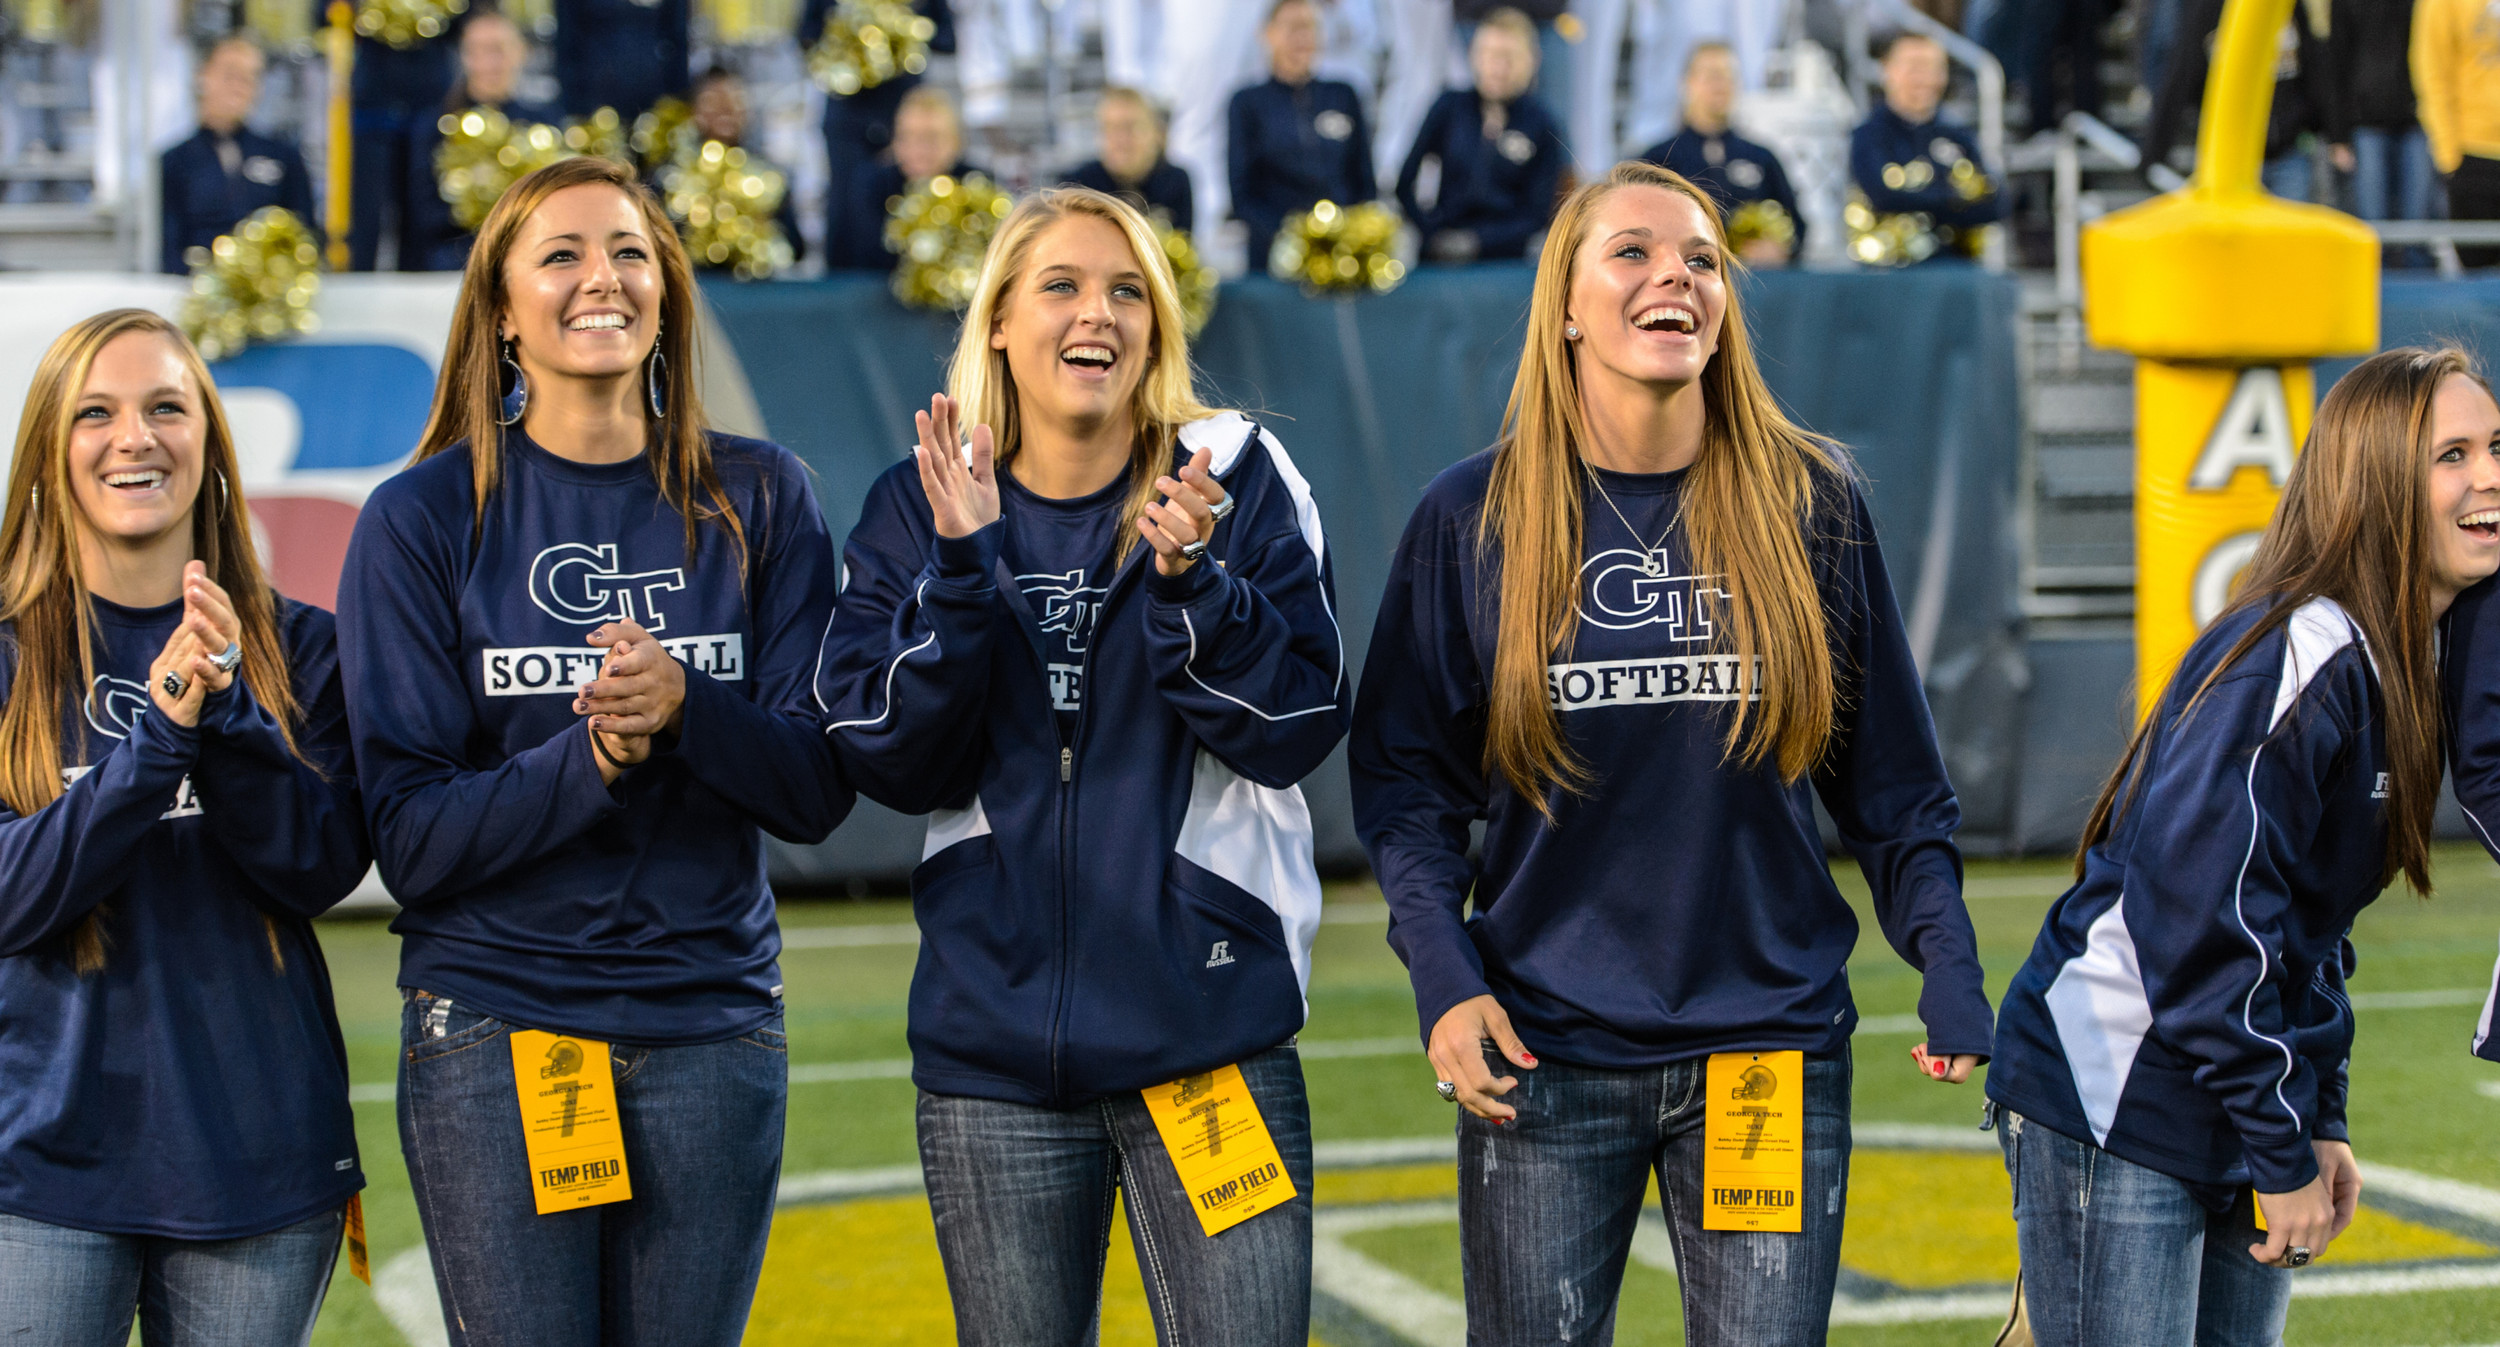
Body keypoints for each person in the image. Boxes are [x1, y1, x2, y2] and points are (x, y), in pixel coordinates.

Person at [1351, 159, 1992, 1345]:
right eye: (1633, 253)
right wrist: (1444, 976)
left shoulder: (1810, 502)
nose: (1676, 278)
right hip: (1541, 1054)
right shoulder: (1470, 518)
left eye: (1701, 259)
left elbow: (1894, 786)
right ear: (1566, 306)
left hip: (1766, 1050)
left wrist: (1945, 955)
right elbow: (1406, 791)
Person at [817, 186, 1348, 1344]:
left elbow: (1298, 723)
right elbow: (882, 753)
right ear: (1000, 322)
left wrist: (1193, 588)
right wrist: (962, 570)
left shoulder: (1233, 476)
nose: (1095, 313)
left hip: (1208, 1041)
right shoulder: (922, 498)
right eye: (1059, 285)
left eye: (1126, 292)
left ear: (1156, 327)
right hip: (992, 1060)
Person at [336, 156, 850, 1343]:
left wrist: (686, 708)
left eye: (627, 252)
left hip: (712, 1026)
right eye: (560, 255)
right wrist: (599, 757)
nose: (601, 277)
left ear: (666, 290)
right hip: (496, 1028)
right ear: (501, 312)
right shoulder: (419, 518)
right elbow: (411, 840)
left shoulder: (764, 496)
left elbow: (817, 790)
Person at [1989, 348, 2500, 1345]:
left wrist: (2317, 1115)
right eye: (2452, 455)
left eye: (2497, 447)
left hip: (2225, 1089)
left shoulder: (2404, 659)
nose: (2488, 475)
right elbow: (2200, 919)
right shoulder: (2304, 647)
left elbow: (2309, 930)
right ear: (2375, 480)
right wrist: (2280, 1137)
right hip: (2120, 1087)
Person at [0, 309, 370, 1343]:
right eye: (96, 413)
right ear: (48, 450)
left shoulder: (306, 650)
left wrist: (230, 710)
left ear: (209, 443)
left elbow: (318, 867)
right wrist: (160, 740)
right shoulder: (4, 655)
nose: (135, 437)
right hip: (34, 1169)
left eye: (167, 408)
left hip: (258, 1167)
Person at [1395, 6, 1567, 264]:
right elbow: (1404, 183)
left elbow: (1538, 214)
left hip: (1506, 263)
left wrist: (1478, 242)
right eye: (1488, 54)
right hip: (1441, 257)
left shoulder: (1542, 123)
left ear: (1531, 61)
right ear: (1473, 56)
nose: (1497, 67)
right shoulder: (1449, 107)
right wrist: (1432, 233)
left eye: (1508, 57)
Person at [800, 0, 956, 272]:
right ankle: (842, 285)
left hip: (902, 111)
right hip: (847, 116)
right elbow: (806, 35)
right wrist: (848, 36)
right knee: (845, 206)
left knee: (904, 201)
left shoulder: (910, 128)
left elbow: (947, 39)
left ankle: (915, 279)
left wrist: (903, 29)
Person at [405, 9, 565, 273]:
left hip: (532, 252)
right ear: (463, 56)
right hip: (456, 258)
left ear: (521, 52)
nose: (488, 63)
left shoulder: (545, 122)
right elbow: (423, 215)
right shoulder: (436, 126)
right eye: (476, 51)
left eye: (498, 50)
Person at [1229, 0, 1378, 268]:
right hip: (1275, 257)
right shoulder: (1247, 103)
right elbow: (1242, 195)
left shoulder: (1344, 95)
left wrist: (1348, 236)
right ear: (1267, 34)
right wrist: (1294, 237)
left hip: (1342, 257)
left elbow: (1364, 182)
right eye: (1291, 27)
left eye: (1309, 27)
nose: (1301, 37)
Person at [160, 35, 317, 275]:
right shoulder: (173, 162)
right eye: (230, 74)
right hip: (197, 284)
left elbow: (305, 234)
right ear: (202, 76)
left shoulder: (283, 156)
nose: (239, 86)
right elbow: (167, 246)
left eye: (250, 77)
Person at [2143, 0, 2329, 201]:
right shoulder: (2207, 9)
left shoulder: (2285, 6)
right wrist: (2155, 149)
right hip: (2229, 159)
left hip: (2287, 150)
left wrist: (2319, 124)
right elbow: (2181, 75)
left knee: (2290, 219)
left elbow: (2312, 63)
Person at [1639, 40, 1802, 266]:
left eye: (1728, 76)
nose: (1720, 85)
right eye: (1711, 75)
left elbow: (1797, 225)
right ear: (1686, 83)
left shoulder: (1762, 158)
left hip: (1754, 280)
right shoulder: (1656, 160)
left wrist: (1781, 249)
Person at [1849, 31, 2005, 264]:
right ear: (1886, 69)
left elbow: (1995, 205)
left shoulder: (1958, 136)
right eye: (1914, 67)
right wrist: (1953, 201)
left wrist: (1923, 201)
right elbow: (1883, 198)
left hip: (1956, 264)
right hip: (1887, 271)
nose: (1925, 79)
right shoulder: (1869, 135)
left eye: (1934, 68)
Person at [346, 3, 456, 270]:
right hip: (372, 103)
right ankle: (357, 283)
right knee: (365, 215)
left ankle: (420, 286)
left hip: (429, 97)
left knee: (421, 211)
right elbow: (326, 14)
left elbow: (465, 18)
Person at [829, 84, 985, 271]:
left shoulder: (977, 186)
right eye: (906, 137)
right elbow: (867, 257)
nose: (918, 150)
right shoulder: (872, 186)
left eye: (931, 138)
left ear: (955, 142)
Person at [2330, 0, 2435, 260]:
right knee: (2372, 231)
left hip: (2419, 121)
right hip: (2367, 123)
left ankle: (2415, 284)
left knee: (2417, 227)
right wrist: (2338, 135)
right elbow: (2336, 60)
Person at [680, 66, 806, 267]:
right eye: (712, 101)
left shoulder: (770, 176)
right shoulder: (670, 176)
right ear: (693, 111)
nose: (726, 108)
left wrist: (762, 229)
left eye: (736, 99)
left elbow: (796, 248)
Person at [2413, 0, 2500, 268]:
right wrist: (2448, 156)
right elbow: (2432, 73)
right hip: (2472, 153)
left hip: (2471, 152)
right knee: (2477, 274)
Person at [1066, 86, 1196, 232]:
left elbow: (1183, 240)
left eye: (1131, 127)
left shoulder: (1175, 182)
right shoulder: (1079, 186)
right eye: (1111, 128)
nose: (1121, 139)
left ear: (1155, 132)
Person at [552, 0, 690, 124]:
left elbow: (678, 39)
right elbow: (567, 42)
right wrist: (573, 106)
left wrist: (679, 98)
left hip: (654, 100)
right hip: (596, 103)